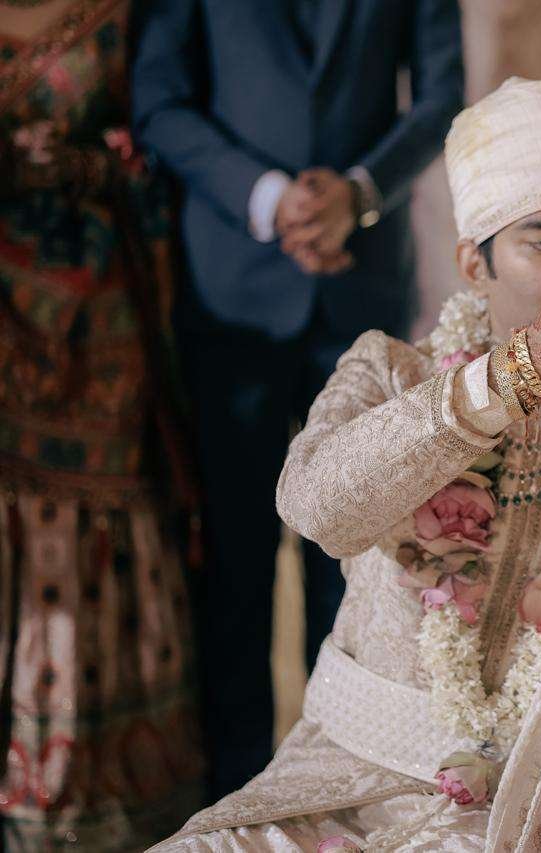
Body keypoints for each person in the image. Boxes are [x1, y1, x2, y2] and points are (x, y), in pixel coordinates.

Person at [150, 50, 541, 852]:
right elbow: (315, 508)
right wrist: (512, 375)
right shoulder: (390, 370)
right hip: (340, 778)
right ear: (474, 263)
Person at [129, 0, 465, 797]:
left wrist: (360, 193)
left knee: (353, 569)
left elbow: (441, 97)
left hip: (360, 294)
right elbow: (158, 101)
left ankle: (332, 792)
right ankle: (230, 796)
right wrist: (266, 196)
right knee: (233, 563)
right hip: (230, 298)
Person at [0, 0, 205, 847]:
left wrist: (89, 166)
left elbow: (165, 147)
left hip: (96, 317)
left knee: (93, 518)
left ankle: (90, 798)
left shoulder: (128, 15)